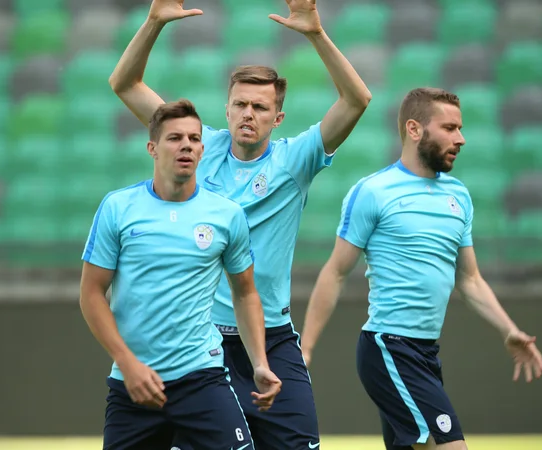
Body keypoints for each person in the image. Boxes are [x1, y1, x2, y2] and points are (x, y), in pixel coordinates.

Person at [108, 0, 372, 448]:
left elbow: (357, 99)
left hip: (270, 338)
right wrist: (153, 22)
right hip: (200, 345)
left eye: (260, 107)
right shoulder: (197, 146)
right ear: (226, 111)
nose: (249, 114)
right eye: (241, 104)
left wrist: (315, 35)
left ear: (277, 118)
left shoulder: (296, 160)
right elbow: (125, 84)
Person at [298, 88, 542, 450]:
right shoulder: (373, 192)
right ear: (414, 129)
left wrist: (509, 330)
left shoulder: (458, 196)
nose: (460, 139)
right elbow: (335, 273)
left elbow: (470, 279)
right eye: (449, 128)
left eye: (460, 128)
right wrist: (306, 349)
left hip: (426, 353)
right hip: (389, 348)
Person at [79, 100, 282, 450]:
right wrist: (127, 363)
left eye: (194, 138)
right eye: (174, 138)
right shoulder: (118, 208)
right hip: (134, 385)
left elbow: (245, 293)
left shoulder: (226, 215)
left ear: (202, 149)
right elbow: (92, 294)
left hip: (202, 378)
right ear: (152, 148)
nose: (186, 145)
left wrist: (259, 362)